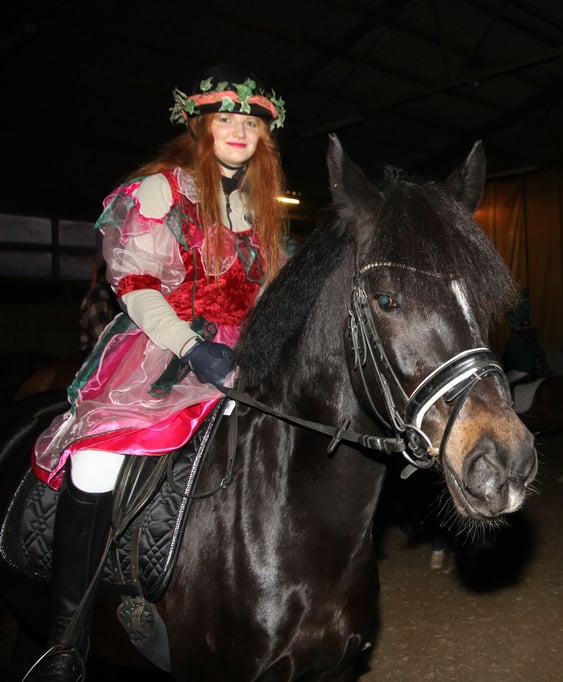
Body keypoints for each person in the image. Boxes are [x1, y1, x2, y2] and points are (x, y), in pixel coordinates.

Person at [26, 65, 289, 681]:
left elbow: (275, 297)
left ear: (262, 139)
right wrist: (189, 345)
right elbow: (136, 285)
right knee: (98, 461)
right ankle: (65, 641)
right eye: (225, 118)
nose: (237, 129)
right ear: (200, 126)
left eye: (249, 122)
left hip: (245, 352)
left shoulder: (263, 212)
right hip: (163, 344)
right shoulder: (160, 191)